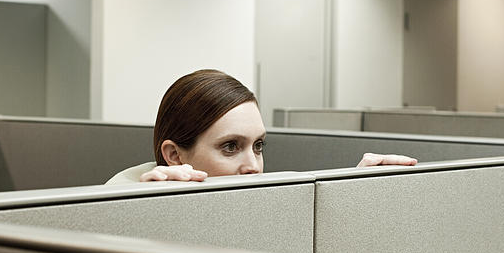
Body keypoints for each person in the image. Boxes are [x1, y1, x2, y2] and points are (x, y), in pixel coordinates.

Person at [106, 69, 417, 184]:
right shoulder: (115, 210)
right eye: (230, 146)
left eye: (258, 146)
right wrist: (141, 211)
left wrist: (351, 191)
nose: (253, 166)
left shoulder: (264, 210)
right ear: (174, 156)